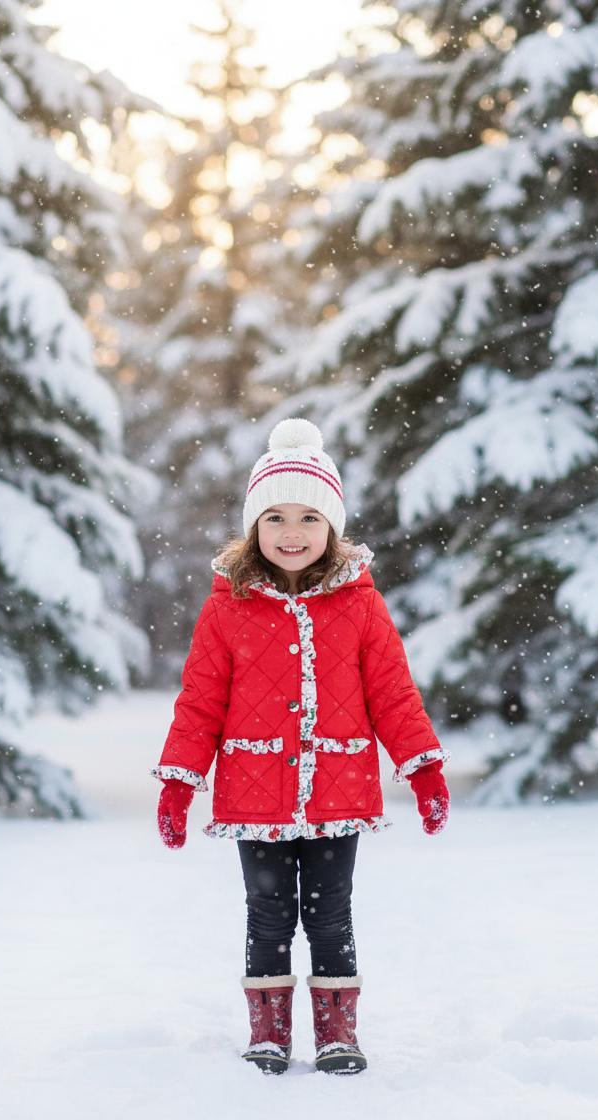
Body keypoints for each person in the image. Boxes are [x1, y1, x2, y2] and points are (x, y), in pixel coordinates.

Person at [152, 418, 449, 1076]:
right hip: (254, 792)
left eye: (310, 518)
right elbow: (200, 703)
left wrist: (423, 767)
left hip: (338, 791)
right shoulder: (226, 609)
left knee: (331, 914)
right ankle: (270, 1033)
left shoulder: (361, 607)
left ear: (332, 527)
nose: (292, 533)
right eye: (276, 518)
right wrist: (178, 782)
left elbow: (393, 694)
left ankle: (338, 1034)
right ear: (254, 527)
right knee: (267, 913)